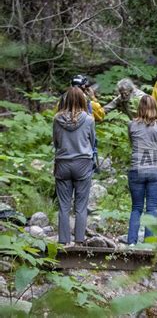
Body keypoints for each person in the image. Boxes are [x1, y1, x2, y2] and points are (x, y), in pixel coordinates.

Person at [127, 95, 157, 245]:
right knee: (152, 209)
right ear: (156, 108)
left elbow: (132, 144)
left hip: (137, 169)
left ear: (139, 108)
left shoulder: (131, 125)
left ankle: (131, 242)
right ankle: (148, 244)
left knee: (136, 208)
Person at [53, 86, 96, 246]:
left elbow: (56, 142)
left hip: (63, 163)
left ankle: (63, 241)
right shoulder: (89, 119)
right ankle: (79, 241)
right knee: (81, 205)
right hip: (83, 163)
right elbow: (92, 143)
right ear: (82, 100)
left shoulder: (57, 119)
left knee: (64, 206)